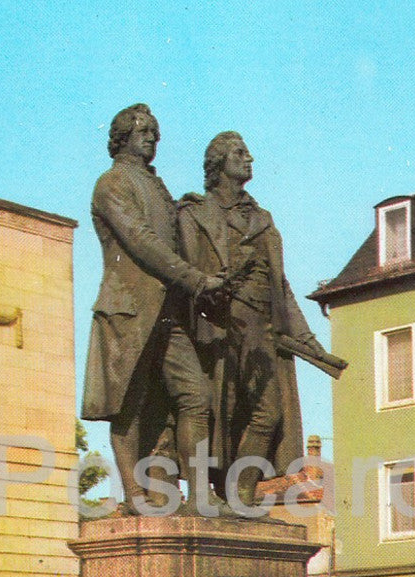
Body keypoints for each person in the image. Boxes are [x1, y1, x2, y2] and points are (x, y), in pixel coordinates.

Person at [178, 132, 348, 508]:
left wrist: (305, 337)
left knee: (268, 413)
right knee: (222, 413)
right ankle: (216, 493)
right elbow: (186, 273)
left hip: (262, 329)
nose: (250, 158)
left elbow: (280, 286)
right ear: (218, 163)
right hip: (219, 329)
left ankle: (241, 493)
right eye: (239, 153)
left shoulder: (263, 219)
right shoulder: (193, 213)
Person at [80, 103, 228, 515]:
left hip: (168, 311)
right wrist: (196, 279)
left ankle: (199, 496)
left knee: (196, 396)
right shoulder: (112, 183)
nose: (152, 138)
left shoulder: (157, 187)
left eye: (155, 132)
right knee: (127, 403)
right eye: (144, 131)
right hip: (128, 310)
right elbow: (142, 242)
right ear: (122, 136)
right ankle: (134, 495)